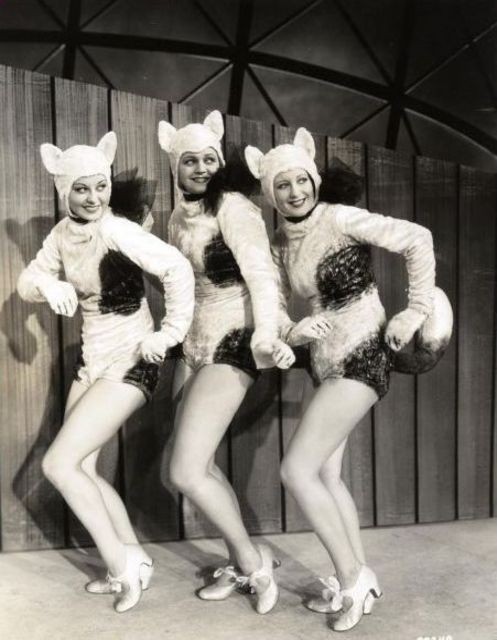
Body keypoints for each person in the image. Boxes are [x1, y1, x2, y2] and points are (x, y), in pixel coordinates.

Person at [245, 129, 453, 631]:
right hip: (324, 361)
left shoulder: (339, 217)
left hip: (363, 353)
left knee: (296, 470)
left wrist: (414, 311)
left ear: (314, 179)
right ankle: (356, 579)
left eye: (301, 180)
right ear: (271, 195)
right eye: (282, 186)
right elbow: (273, 304)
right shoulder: (279, 243)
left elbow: (418, 239)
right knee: (325, 475)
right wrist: (292, 329)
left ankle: (352, 579)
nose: (295, 191)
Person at [17, 132, 195, 613]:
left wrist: (170, 333)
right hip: (92, 361)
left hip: (131, 360)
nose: (93, 198)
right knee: (84, 468)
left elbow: (177, 269)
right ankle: (134, 558)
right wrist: (46, 286)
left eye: (100, 186)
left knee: (59, 465)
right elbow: (28, 278)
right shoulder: (61, 234)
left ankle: (122, 566)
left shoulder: (117, 230)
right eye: (81, 189)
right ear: (65, 191)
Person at [157, 111, 295, 614]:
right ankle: (244, 559)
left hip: (236, 336)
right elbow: (180, 284)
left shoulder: (235, 207)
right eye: (189, 160)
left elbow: (262, 276)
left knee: (186, 471)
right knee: (194, 465)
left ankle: (254, 565)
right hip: (193, 343)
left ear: (220, 162)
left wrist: (266, 335)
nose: (200, 168)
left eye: (208, 159)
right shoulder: (177, 218)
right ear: (175, 166)